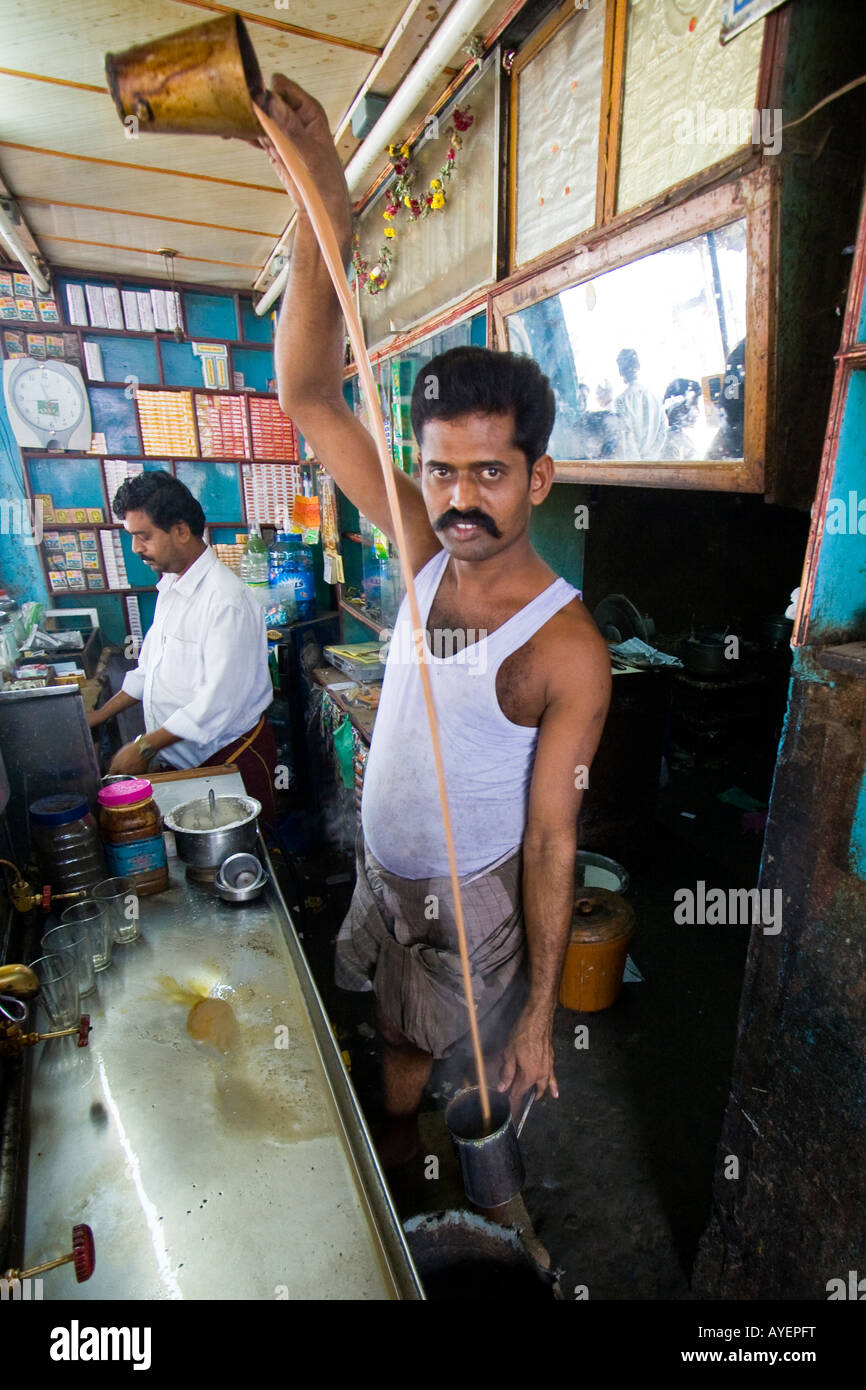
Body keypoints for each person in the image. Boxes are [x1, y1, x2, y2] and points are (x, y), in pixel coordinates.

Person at [262, 75, 611, 1164]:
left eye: (489, 474)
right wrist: (326, 203)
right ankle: (400, 1133)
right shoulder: (421, 544)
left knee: (415, 1052)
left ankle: (403, 1168)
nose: (460, 500)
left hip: (461, 901)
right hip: (382, 861)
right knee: (386, 1014)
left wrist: (540, 1015)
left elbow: (553, 840)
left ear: (539, 477)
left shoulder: (564, 648)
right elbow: (310, 395)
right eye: (441, 470)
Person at [87, 471, 277, 817]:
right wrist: (97, 717)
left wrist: (143, 747)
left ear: (180, 530)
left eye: (144, 536)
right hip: (183, 761)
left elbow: (215, 705)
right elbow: (149, 672)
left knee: (244, 861)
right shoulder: (171, 588)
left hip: (227, 759)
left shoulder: (224, 600)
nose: (136, 549)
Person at [614, 348, 667, 459]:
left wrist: (638, 461)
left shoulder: (622, 400)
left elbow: (627, 436)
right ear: (638, 366)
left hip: (636, 463)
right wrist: (650, 456)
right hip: (653, 459)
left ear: (620, 371)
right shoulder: (655, 397)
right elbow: (662, 431)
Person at [660, 377, 702, 460]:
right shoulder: (672, 443)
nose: (698, 411)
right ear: (680, 408)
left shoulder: (681, 439)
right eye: (694, 404)